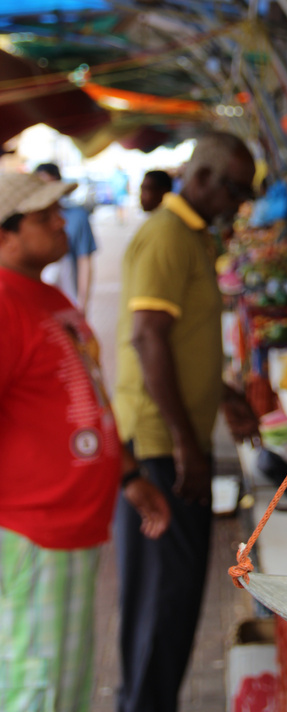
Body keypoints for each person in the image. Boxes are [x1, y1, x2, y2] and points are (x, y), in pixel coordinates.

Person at [0, 172, 171, 712]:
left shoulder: (45, 295)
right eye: (43, 215)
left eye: (59, 210)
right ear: (5, 234)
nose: (61, 222)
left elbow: (85, 395)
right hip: (34, 530)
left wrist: (126, 475)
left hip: (71, 525)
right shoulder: (4, 302)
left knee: (63, 681)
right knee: (39, 685)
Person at [113, 131, 260, 712]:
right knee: (161, 605)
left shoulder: (192, 235)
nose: (239, 205)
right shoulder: (166, 237)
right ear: (203, 179)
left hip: (177, 438)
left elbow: (182, 340)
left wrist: (221, 392)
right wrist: (185, 445)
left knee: (172, 606)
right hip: (159, 448)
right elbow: (148, 337)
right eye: (236, 192)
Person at [35, 161, 97, 315]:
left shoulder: (77, 217)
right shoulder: (30, 224)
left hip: (68, 303)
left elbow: (85, 262)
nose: (59, 223)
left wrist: (82, 303)